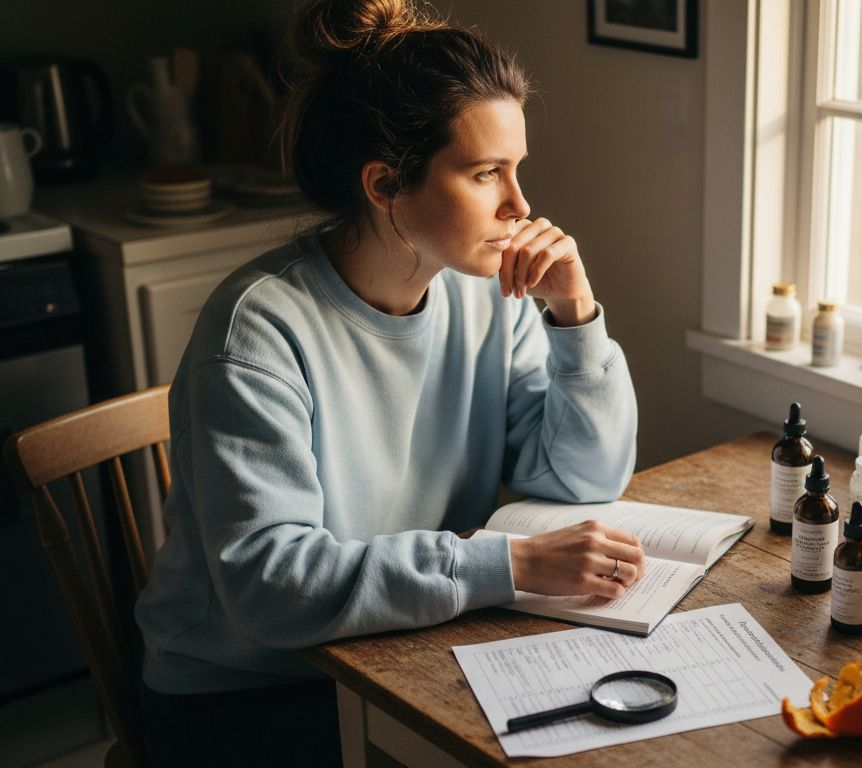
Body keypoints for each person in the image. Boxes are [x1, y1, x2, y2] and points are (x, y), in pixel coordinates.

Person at [133, 0, 643, 763]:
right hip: (246, 691)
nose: (521, 206)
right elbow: (273, 589)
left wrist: (574, 314)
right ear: (384, 185)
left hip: (404, 644)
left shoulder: (484, 293)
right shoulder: (258, 332)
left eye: (518, 170)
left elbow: (584, 478)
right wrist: (508, 565)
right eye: (485, 174)